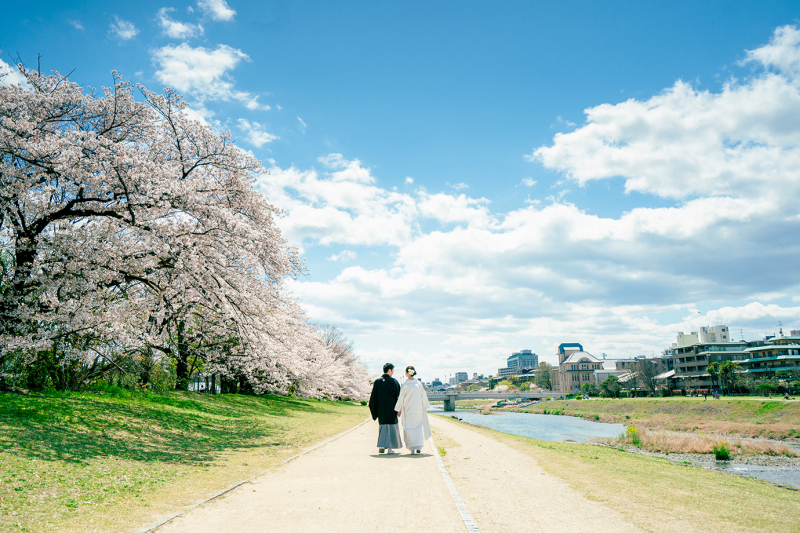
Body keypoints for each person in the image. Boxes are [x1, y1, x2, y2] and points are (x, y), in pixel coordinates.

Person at [394, 365, 431, 454]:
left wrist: (398, 409)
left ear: (407, 373)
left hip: (408, 410)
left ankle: (412, 448)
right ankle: (419, 446)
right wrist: (425, 406)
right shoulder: (418, 384)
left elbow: (401, 398)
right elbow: (423, 395)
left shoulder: (405, 384)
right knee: (418, 427)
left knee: (409, 428)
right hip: (418, 409)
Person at [369, 363, 402, 454]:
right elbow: (398, 397)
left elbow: (373, 398)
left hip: (381, 410)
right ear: (389, 370)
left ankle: (382, 445)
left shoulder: (377, 382)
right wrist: (399, 409)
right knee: (391, 428)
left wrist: (375, 411)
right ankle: (390, 449)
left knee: (383, 427)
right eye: (392, 371)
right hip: (392, 409)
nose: (393, 373)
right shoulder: (394, 381)